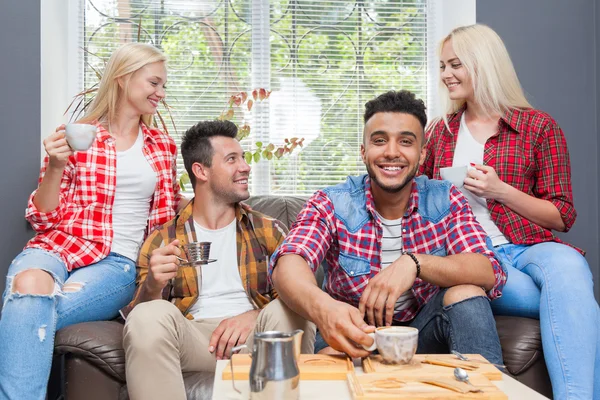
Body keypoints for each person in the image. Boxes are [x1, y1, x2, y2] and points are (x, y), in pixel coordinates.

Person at [420, 24, 600, 400]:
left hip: (531, 248)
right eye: (442, 66)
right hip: (474, 255)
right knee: (574, 298)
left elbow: (562, 215)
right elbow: (418, 203)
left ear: (483, 64)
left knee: (569, 267)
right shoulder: (439, 133)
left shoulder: (539, 127)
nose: (446, 75)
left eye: (456, 64)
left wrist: (501, 191)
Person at [269, 90, 507, 366]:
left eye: (406, 142)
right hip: (350, 333)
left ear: (422, 153)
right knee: (326, 358)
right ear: (364, 151)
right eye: (379, 141)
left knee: (467, 293)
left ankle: (488, 391)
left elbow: (488, 269)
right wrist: (324, 308)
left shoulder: (445, 198)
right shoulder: (332, 201)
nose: (392, 152)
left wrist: (414, 264)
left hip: (420, 334)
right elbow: (290, 261)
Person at [0, 42, 181, 400]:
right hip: (58, 246)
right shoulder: (79, 135)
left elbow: (168, 215)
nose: (161, 93)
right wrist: (55, 165)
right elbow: (43, 216)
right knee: (29, 282)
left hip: (116, 263)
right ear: (123, 79)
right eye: (154, 83)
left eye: (163, 85)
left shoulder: (162, 146)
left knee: (26, 311)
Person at [121, 120, 315, 400]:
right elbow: (139, 318)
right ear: (201, 171)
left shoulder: (268, 230)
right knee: (145, 315)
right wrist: (152, 284)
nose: (245, 167)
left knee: (291, 309)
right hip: (195, 340)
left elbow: (298, 295)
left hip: (257, 337)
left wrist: (255, 316)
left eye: (244, 158)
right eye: (232, 159)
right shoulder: (162, 239)